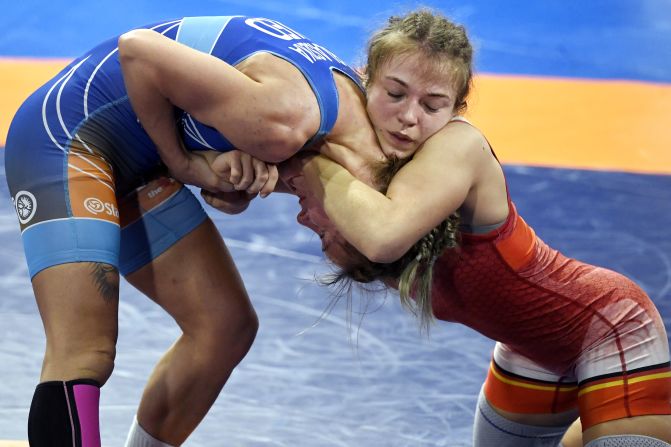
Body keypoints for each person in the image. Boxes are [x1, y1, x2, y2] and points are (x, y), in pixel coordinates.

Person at [272, 10, 671, 447]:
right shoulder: (360, 152)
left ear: (456, 109)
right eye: (395, 93)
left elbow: (382, 237)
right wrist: (229, 171)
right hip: (528, 351)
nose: (409, 117)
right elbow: (246, 181)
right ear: (364, 81)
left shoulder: (457, 148)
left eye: (432, 104)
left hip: (610, 327)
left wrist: (305, 161)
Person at [4, 14, 395, 446]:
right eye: (325, 235)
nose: (305, 223)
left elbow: (222, 160)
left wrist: (230, 179)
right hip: (65, 136)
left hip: (136, 158)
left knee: (223, 327)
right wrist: (182, 164)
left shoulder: (351, 137)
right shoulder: (282, 124)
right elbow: (136, 50)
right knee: (84, 350)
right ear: (354, 216)